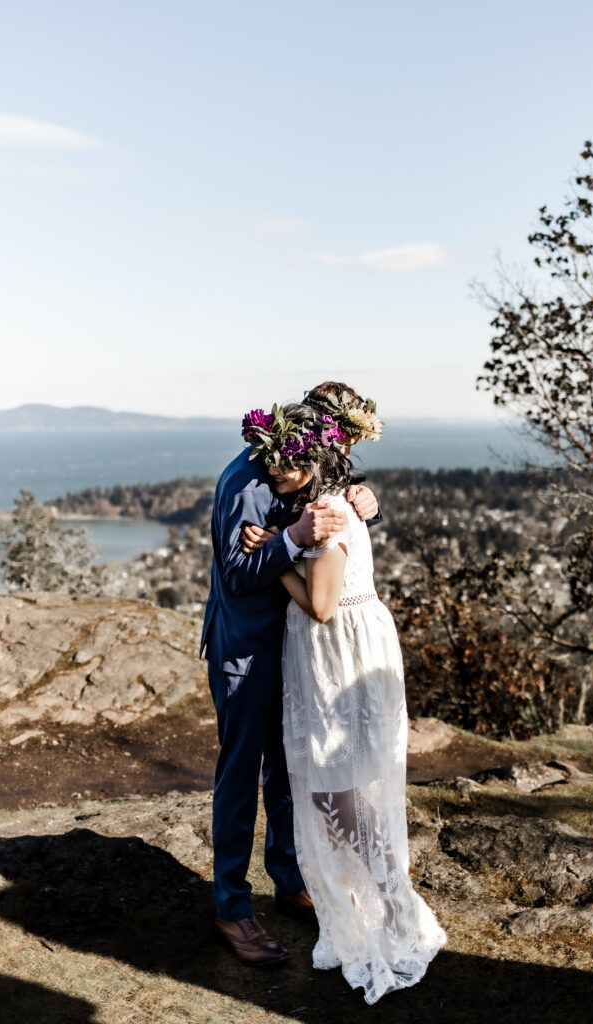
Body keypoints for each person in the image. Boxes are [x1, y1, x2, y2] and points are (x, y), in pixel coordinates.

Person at [247, 399, 446, 1004]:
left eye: (286, 464)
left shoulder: (328, 517)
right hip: (346, 651)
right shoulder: (332, 505)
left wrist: (273, 557)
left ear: (313, 461)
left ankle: (393, 903)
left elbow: (322, 605)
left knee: (338, 788)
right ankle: (378, 897)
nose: (274, 473)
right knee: (347, 786)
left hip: (339, 654)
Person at [200, 385, 381, 966]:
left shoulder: (304, 465)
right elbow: (236, 575)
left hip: (290, 645)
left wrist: (365, 501)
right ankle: (231, 908)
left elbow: (336, 528)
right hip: (246, 651)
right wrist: (292, 539)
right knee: (241, 773)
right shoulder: (248, 483)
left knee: (286, 765)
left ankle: (287, 877)